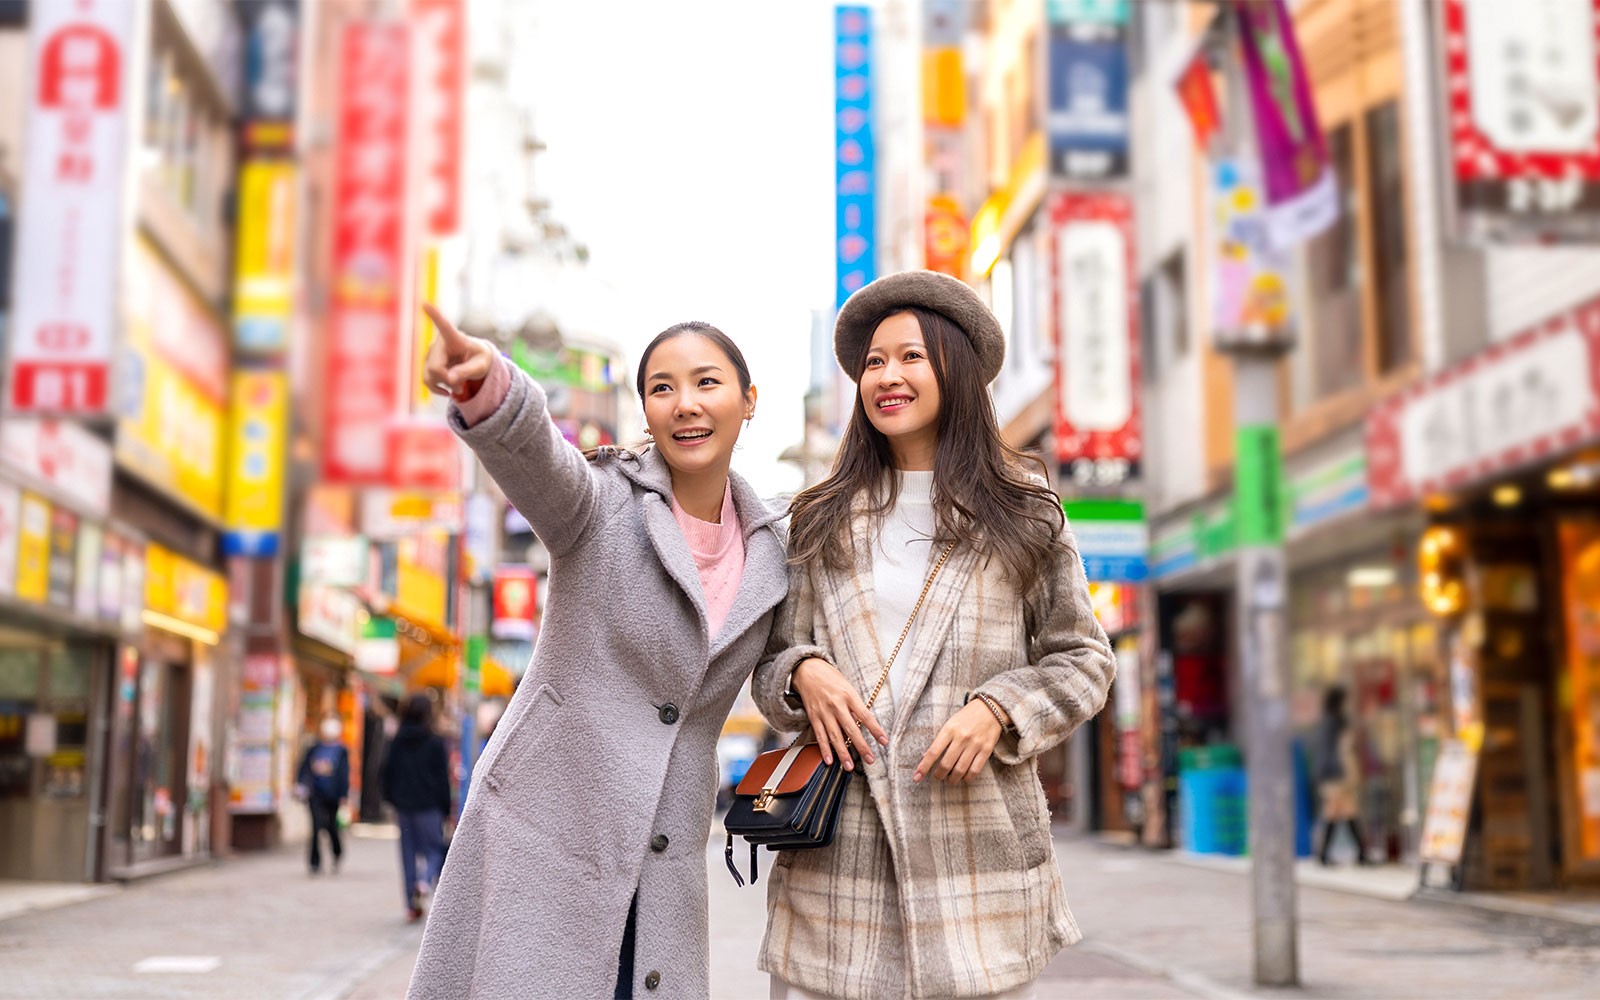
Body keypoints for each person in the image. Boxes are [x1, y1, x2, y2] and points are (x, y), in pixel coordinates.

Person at [407, 305, 791, 999]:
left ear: (749, 399)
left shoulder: (775, 551)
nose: (685, 404)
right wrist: (487, 384)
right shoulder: (602, 504)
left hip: (664, 865)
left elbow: (784, 656)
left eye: (706, 382)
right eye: (663, 388)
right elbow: (537, 459)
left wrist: (808, 669)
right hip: (548, 833)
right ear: (646, 410)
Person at [751, 271, 1116, 999]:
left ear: (956, 371)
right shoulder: (816, 519)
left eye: (911, 357)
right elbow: (767, 664)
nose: (887, 376)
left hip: (977, 869)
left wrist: (1001, 708)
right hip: (838, 877)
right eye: (874, 362)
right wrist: (803, 671)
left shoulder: (1025, 515)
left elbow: (1084, 660)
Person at [379, 693, 452, 921]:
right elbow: (442, 779)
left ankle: (411, 906)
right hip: (429, 806)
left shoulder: (396, 741)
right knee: (434, 849)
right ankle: (424, 880)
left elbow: (385, 771)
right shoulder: (436, 742)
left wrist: (392, 798)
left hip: (404, 806)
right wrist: (446, 808)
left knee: (407, 853)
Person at [1315, 685, 1371, 866]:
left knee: (1346, 810)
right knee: (1338, 811)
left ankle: (1357, 853)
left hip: (1328, 773)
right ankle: (1329, 854)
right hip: (1337, 774)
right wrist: (1349, 773)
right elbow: (1344, 749)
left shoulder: (1325, 721)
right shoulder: (1337, 722)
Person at [295, 718, 350, 876]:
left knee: (331, 826)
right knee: (315, 827)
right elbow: (304, 768)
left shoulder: (341, 751)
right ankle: (314, 862)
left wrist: (344, 794)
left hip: (333, 795)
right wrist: (301, 785)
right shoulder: (314, 748)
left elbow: (343, 774)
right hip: (315, 793)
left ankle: (337, 852)